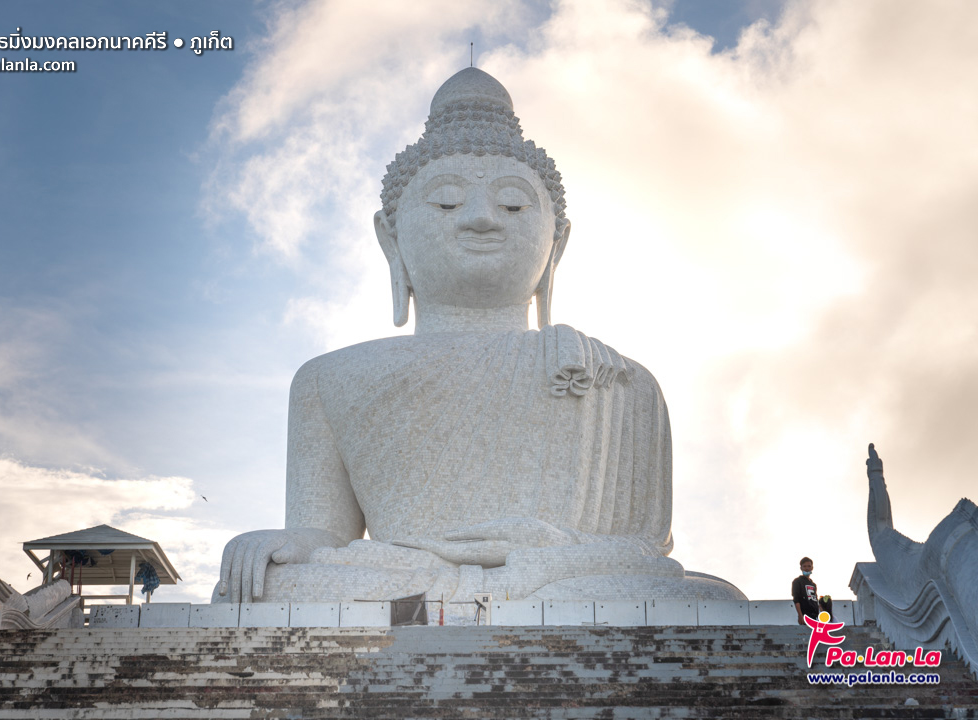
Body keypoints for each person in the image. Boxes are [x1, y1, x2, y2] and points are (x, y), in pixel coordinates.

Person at [212, 67, 744, 607]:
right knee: (259, 588)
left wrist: (551, 554)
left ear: (555, 245)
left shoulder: (621, 381)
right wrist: (287, 545)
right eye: (446, 202)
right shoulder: (327, 379)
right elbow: (325, 536)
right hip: (403, 576)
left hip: (559, 578)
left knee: (711, 599)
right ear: (389, 238)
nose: (481, 219)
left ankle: (464, 597)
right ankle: (461, 596)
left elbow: (645, 552)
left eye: (513, 205)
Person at [792, 557, 819, 624]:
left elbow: (815, 600)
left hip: (815, 616)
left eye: (809, 566)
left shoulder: (813, 584)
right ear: (801, 568)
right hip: (805, 616)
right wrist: (800, 616)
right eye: (804, 566)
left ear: (812, 568)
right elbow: (796, 600)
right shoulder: (797, 581)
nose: (807, 568)